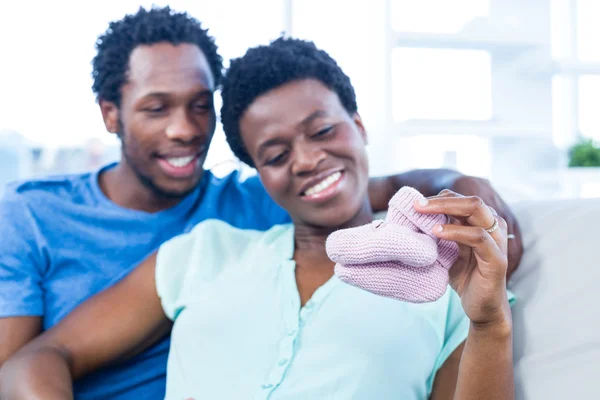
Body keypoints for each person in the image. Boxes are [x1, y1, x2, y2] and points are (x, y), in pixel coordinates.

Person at [1, 37, 515, 400]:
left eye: (322, 131)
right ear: (259, 178)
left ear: (358, 125)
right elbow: (36, 360)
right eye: (274, 154)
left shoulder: (444, 277)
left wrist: (489, 323)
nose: (307, 160)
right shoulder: (202, 252)